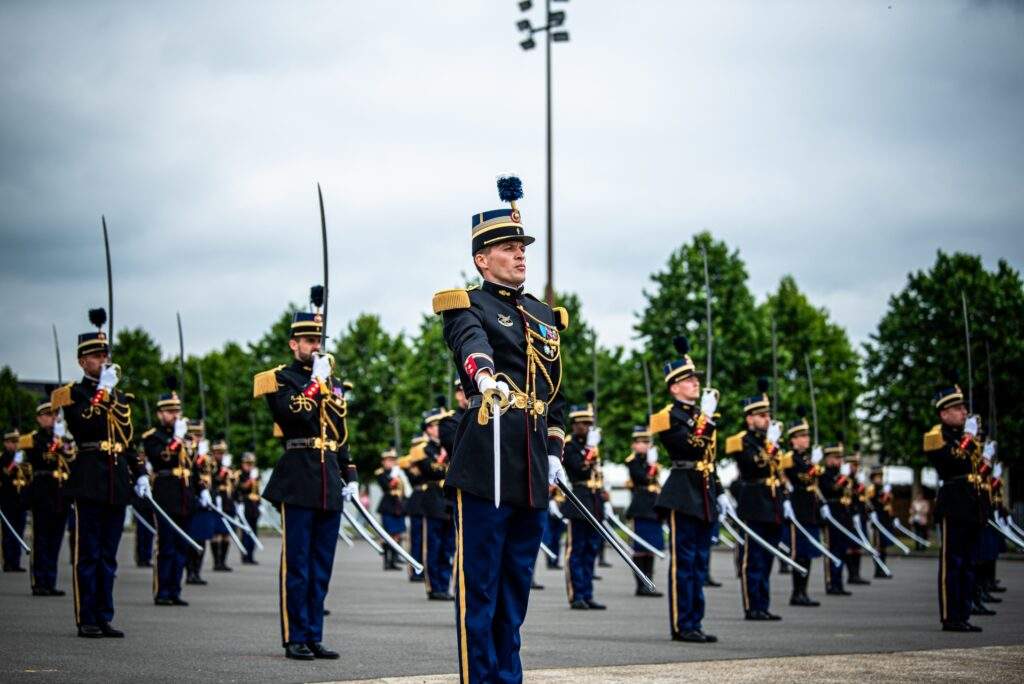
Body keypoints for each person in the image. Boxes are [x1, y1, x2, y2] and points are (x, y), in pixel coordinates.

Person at [433, 175, 567, 682]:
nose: (520, 255)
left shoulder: (542, 314)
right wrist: (484, 375)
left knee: (516, 587)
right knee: (481, 587)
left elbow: (555, 390)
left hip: (532, 465)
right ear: (482, 259)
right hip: (487, 458)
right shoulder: (468, 303)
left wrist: (555, 450)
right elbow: (470, 344)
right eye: (508, 248)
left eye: (521, 247)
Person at [254, 284, 357, 660]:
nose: (315, 346)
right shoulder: (279, 378)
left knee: (321, 565)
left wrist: (350, 472)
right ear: (293, 344)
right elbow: (293, 414)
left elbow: (339, 430)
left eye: (319, 339)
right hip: (298, 476)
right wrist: (316, 384)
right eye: (308, 340)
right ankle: (294, 635)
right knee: (297, 563)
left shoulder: (332, 382)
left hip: (329, 477)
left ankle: (314, 633)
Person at [51, 307, 146, 638]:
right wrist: (102, 392)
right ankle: (86, 616)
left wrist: (140, 470)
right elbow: (85, 424)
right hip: (89, 477)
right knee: (88, 553)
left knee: (108, 555)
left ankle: (104, 614)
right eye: (95, 355)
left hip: (116, 480)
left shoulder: (118, 394)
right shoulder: (72, 394)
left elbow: (125, 437)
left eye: (104, 353)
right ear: (82, 361)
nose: (102, 359)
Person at [650, 335, 722, 643]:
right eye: (687, 380)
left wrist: (721, 493)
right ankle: (683, 624)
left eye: (694, 379)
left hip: (703, 491)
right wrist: (704, 418)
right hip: (681, 491)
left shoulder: (699, 415)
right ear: (674, 386)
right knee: (684, 561)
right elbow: (689, 447)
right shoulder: (666, 416)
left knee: (700, 562)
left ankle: (696, 620)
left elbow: (708, 457)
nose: (694, 383)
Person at [924, 381, 985, 632]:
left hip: (972, 502)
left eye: (963, 408)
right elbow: (950, 463)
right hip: (953, 503)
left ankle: (964, 613)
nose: (963, 412)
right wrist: (969, 439)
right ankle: (950, 616)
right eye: (958, 408)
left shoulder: (963, 437)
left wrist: (986, 456)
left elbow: (976, 468)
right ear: (944, 413)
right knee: (953, 562)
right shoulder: (936, 436)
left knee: (970, 562)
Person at [726, 378, 786, 621]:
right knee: (753, 559)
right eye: (761, 415)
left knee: (768, 558)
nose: (766, 419)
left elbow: (777, 470)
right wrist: (770, 447)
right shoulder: (742, 440)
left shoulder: (769, 441)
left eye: (767, 415)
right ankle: (752, 606)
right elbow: (753, 465)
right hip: (753, 502)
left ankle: (764, 604)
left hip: (772, 503)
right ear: (749, 418)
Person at [141, 386, 199, 606]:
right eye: (169, 411)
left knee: (181, 546)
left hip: (185, 495)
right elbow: (161, 457)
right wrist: (176, 439)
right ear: (160, 413)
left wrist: (201, 491)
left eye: (177, 410)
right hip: (165, 493)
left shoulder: (185, 437)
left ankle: (175, 589)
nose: (174, 415)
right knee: (166, 545)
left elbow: (192, 467)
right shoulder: (152, 436)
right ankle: (162, 591)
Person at [23, 397, 74, 595]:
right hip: (42, 491)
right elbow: (42, 457)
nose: (52, 418)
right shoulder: (32, 439)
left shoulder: (64, 439)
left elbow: (71, 459)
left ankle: (50, 581)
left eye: (54, 415)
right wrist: (56, 443)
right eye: (48, 415)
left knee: (56, 539)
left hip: (60, 493)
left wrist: (62, 442)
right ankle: (39, 581)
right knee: (41, 539)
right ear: (39, 418)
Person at [560, 401, 605, 610]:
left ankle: (587, 593)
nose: (586, 427)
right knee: (576, 549)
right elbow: (579, 469)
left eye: (589, 423)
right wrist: (589, 449)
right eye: (582, 423)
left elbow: (597, 473)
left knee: (591, 549)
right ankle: (575, 594)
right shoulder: (568, 445)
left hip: (594, 500)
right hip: (578, 499)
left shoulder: (592, 446)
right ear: (574, 424)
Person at [781, 407, 823, 607]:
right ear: (793, 439)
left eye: (807, 436)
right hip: (797, 507)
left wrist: (814, 464)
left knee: (808, 554)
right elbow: (802, 477)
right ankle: (796, 592)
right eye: (802, 436)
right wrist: (814, 466)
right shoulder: (790, 458)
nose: (806, 439)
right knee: (800, 553)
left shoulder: (805, 459)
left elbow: (814, 479)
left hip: (810, 508)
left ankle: (803, 591)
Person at [624, 425, 664, 598]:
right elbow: (642, 477)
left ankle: (649, 582)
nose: (644, 445)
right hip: (640, 507)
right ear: (634, 444)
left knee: (651, 548)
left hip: (654, 507)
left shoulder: (651, 460)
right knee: (640, 548)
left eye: (647, 442)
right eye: (640, 442)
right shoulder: (632, 461)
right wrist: (651, 465)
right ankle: (640, 584)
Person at [420, 406, 454, 600]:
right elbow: (430, 470)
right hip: (433, 500)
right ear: (428, 429)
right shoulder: (424, 449)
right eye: (433, 426)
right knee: (433, 546)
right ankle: (433, 586)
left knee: (448, 547)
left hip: (447, 500)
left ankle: (444, 584)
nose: (437, 429)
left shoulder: (449, 445)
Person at [818, 441, 852, 595]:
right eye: (835, 458)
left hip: (842, 513)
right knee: (832, 550)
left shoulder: (840, 475)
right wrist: (843, 479)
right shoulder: (823, 474)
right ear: (828, 459)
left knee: (842, 550)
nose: (838, 461)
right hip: (830, 513)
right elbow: (830, 489)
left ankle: (839, 582)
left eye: (840, 458)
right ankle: (831, 582)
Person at [185, 422, 215, 585]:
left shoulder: (206, 454)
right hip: (192, 497)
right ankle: (189, 571)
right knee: (192, 538)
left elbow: (214, 472)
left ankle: (197, 571)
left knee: (203, 538)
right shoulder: (188, 451)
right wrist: (198, 456)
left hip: (205, 497)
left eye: (200, 435)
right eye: (195, 435)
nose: (198, 438)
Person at [1, 429, 30, 573]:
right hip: (7, 500)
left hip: (21, 500)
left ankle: (16, 562)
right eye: (13, 442)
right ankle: (8, 562)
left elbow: (28, 475)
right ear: (6, 443)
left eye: (17, 442)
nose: (16, 445)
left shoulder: (22, 458)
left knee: (19, 531)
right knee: (8, 533)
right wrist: (14, 464)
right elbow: (6, 473)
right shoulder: (3, 458)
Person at [400, 435, 428, 583]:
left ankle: (424, 569)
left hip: (429, 500)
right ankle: (414, 569)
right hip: (417, 501)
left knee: (426, 540)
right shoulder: (410, 462)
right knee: (416, 539)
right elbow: (402, 462)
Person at [374, 448, 405, 571]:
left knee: (397, 534)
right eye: (388, 460)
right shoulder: (380, 473)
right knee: (387, 535)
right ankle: (387, 561)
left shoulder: (398, 472)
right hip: (387, 505)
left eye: (393, 460)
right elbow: (386, 485)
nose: (391, 462)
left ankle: (394, 560)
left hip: (398, 505)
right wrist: (395, 478)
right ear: (383, 461)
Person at [210, 440, 236, 572]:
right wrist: (223, 471)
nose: (220, 455)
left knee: (226, 534)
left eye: (222, 453)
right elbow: (214, 480)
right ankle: (216, 562)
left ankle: (223, 562)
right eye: (217, 453)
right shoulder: (211, 465)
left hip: (228, 501)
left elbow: (234, 483)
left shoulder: (228, 466)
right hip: (217, 498)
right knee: (217, 533)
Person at [235, 452, 262, 565]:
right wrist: (251, 479)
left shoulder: (256, 473)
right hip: (244, 503)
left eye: (251, 463)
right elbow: (240, 487)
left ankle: (251, 555)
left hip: (254, 505)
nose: (249, 466)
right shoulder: (240, 474)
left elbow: (257, 490)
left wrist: (260, 503)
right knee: (246, 532)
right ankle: (245, 556)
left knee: (254, 532)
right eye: (247, 463)